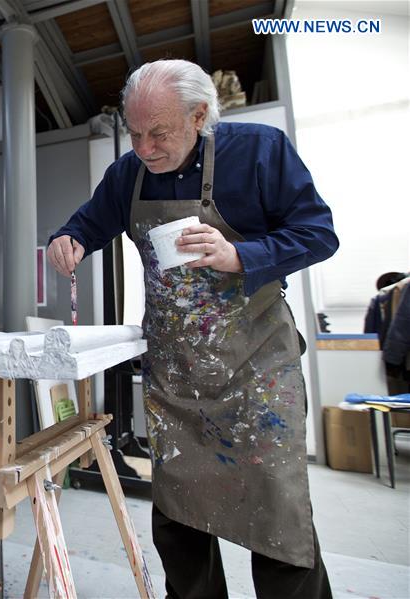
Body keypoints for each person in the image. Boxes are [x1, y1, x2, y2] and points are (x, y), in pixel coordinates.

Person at [47, 59, 338, 598]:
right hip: (176, 379)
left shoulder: (258, 152)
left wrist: (241, 254)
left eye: (158, 133)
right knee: (180, 521)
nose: (144, 148)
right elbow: (88, 223)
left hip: (257, 373)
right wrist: (69, 240)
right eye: (134, 133)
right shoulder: (127, 174)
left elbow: (318, 233)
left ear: (200, 115)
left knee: (278, 521)